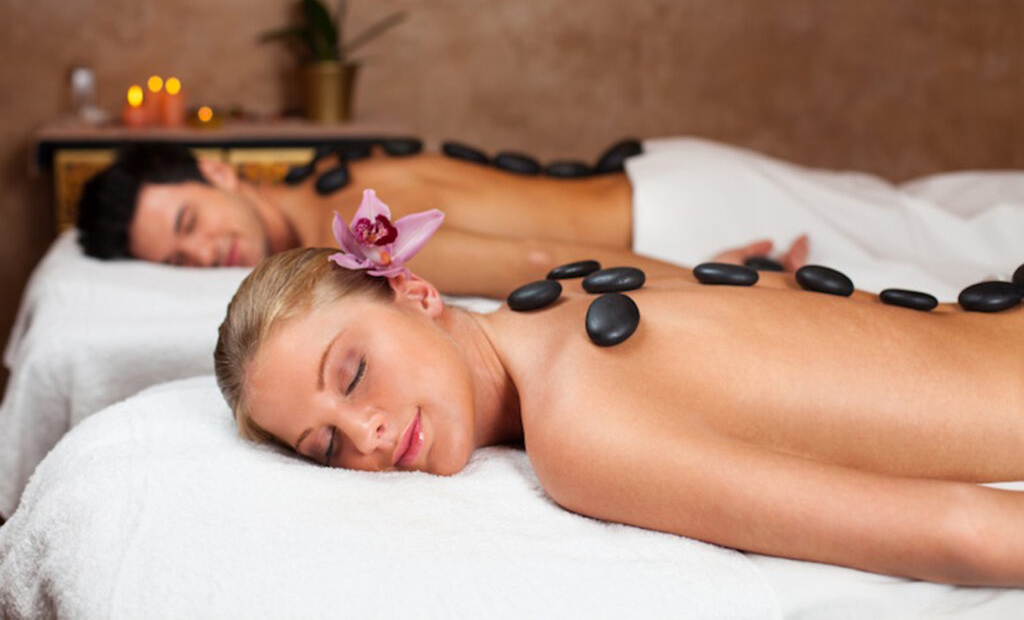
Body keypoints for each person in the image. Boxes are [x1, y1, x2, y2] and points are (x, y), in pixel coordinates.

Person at [214, 196, 1024, 587]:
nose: (367, 434)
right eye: (326, 446)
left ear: (417, 292)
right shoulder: (561, 299)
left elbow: (960, 533)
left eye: (352, 375)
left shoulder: (580, 430)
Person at [75, 142, 808, 298]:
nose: (204, 254)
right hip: (670, 175)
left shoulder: (352, 235)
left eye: (188, 224)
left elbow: (534, 263)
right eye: (178, 261)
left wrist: (717, 281)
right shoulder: (329, 172)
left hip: (676, 219)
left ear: (215, 171)